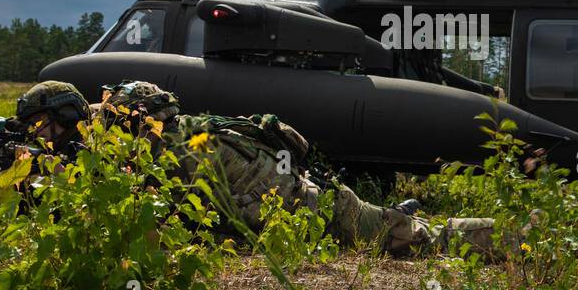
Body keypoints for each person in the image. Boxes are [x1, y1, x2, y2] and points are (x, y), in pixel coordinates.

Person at [98, 80, 433, 256]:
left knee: (428, 237)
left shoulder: (178, 153)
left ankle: (482, 233)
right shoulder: (188, 131)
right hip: (316, 206)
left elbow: (177, 228)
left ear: (141, 122)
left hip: (328, 216)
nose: (113, 135)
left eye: (117, 124)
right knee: (406, 229)